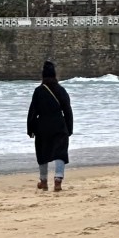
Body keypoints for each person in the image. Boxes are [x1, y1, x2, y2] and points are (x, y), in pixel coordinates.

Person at [26, 59, 73, 193]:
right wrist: (69, 128)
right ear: (54, 75)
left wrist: (30, 129)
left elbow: (33, 112)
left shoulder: (38, 91)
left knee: (42, 153)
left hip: (42, 126)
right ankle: (58, 180)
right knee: (60, 152)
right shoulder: (61, 90)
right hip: (59, 124)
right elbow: (67, 110)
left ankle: (44, 181)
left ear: (43, 76)